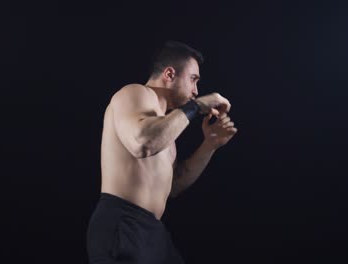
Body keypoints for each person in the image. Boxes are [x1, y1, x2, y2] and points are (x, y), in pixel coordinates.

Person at [86, 40, 238, 264]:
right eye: (193, 79)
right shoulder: (135, 93)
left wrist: (210, 145)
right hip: (124, 222)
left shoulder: (166, 127)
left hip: (152, 231)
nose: (196, 91)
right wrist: (195, 107)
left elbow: (174, 184)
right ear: (169, 73)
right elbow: (142, 143)